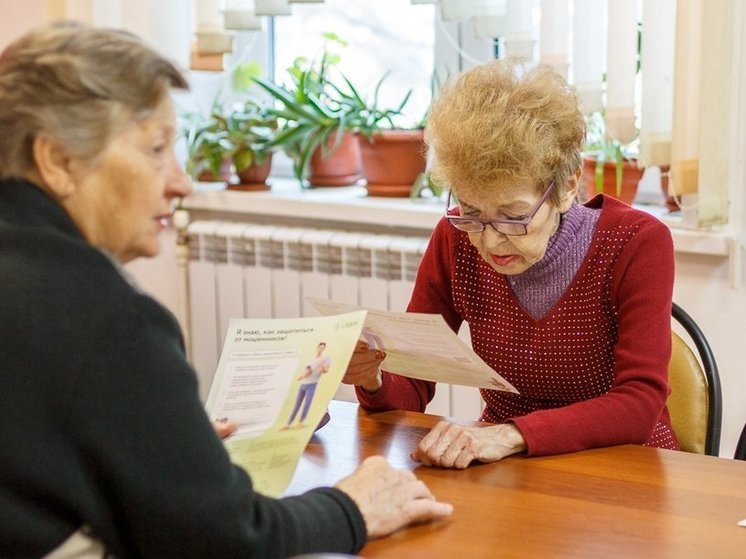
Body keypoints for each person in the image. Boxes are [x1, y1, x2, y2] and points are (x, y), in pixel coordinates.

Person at [0, 21, 451, 558]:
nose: (182, 181)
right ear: (57, 161)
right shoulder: (103, 317)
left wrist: (161, 450)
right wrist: (351, 508)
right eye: (156, 148)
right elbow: (226, 538)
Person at [344, 58, 679, 469]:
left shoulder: (635, 242)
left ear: (567, 185)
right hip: (506, 464)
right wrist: (372, 376)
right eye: (472, 210)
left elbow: (639, 405)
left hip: (621, 464)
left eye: (513, 216)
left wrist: (512, 434)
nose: (490, 239)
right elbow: (413, 383)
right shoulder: (454, 238)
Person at [282, 342, 331, 429]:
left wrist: (322, 367)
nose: (321, 349)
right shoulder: (312, 359)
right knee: (296, 405)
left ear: (324, 349)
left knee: (307, 404)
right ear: (317, 348)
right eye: (320, 347)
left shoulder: (325, 359)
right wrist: (301, 376)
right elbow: (308, 371)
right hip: (303, 384)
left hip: (312, 384)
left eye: (322, 347)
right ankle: (288, 424)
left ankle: (301, 422)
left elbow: (325, 371)